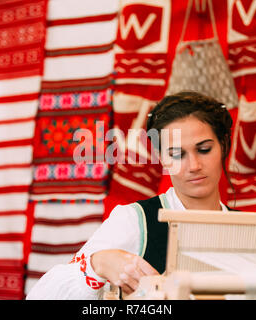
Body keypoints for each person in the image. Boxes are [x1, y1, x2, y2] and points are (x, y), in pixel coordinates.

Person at [26, 91, 234, 300]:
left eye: (204, 149)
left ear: (223, 145)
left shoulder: (254, 230)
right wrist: (98, 263)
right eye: (177, 154)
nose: (194, 166)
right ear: (161, 159)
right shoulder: (135, 220)